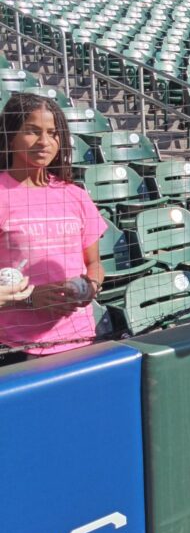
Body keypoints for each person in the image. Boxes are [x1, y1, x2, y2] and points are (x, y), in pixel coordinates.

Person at [0, 94, 106, 363]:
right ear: (10, 135)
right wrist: (29, 299)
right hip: (14, 347)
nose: (44, 142)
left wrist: (91, 286)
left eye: (52, 133)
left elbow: (93, 262)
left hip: (78, 338)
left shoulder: (75, 194)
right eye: (32, 132)